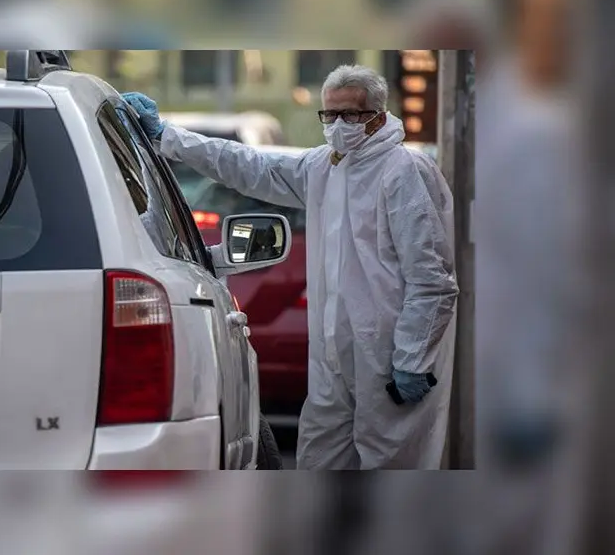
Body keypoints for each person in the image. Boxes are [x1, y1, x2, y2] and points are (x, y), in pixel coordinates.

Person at [122, 64, 458, 470]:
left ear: (378, 117)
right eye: (329, 115)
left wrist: (412, 358)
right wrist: (168, 137)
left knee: (393, 468)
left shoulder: (403, 171)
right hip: (334, 358)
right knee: (320, 458)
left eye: (350, 115)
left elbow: (432, 279)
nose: (338, 125)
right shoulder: (325, 167)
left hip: (386, 357)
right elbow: (249, 166)